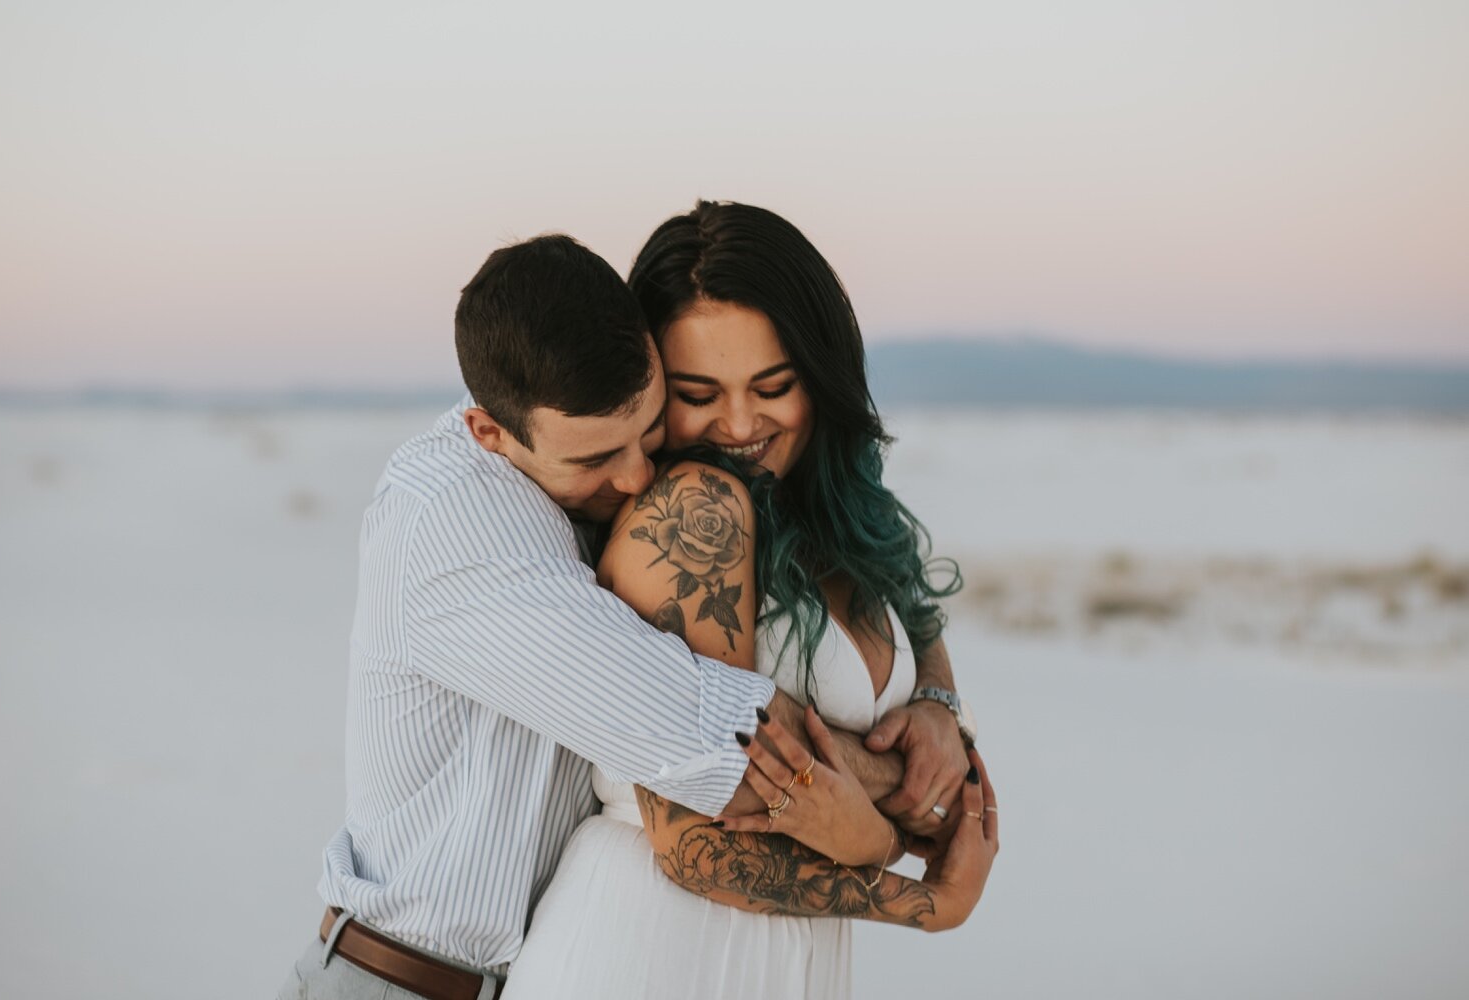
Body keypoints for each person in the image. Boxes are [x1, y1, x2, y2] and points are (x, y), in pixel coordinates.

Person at [278, 233, 974, 1000]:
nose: (636, 474)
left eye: (648, 427)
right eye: (700, 395)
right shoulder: (458, 526)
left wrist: (938, 705)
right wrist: (894, 839)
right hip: (402, 978)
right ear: (491, 432)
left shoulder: (580, 423)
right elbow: (704, 734)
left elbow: (903, 604)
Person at [505, 202, 999, 999]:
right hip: (649, 953)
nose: (740, 423)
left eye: (774, 385)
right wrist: (916, 895)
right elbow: (689, 842)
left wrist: (938, 702)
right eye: (699, 392)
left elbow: (911, 619)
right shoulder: (693, 513)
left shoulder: (839, 515)